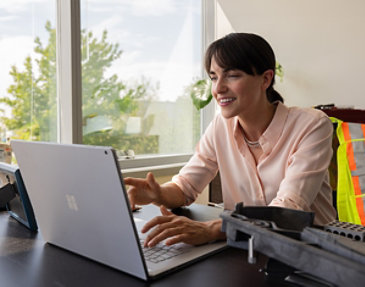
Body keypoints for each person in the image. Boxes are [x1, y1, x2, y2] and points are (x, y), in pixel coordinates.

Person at [124, 32, 336, 248]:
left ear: (266, 79)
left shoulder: (312, 124)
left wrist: (213, 229)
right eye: (214, 77)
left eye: (232, 75)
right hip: (247, 249)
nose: (218, 88)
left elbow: (288, 209)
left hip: (312, 253)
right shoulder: (220, 126)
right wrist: (159, 194)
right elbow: (186, 185)